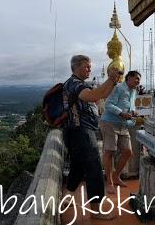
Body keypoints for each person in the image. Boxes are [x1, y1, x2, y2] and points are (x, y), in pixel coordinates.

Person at [63, 55, 122, 220]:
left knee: (78, 166)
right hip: (80, 132)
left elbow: (100, 95)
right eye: (86, 66)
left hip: (77, 132)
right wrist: (110, 79)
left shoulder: (79, 84)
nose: (89, 69)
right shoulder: (74, 84)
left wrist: (113, 81)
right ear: (76, 67)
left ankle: (67, 197)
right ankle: (96, 211)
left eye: (90, 66)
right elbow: (93, 96)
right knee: (94, 167)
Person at [99, 70, 140, 193]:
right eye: (136, 78)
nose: (138, 81)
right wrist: (121, 113)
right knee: (109, 152)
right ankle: (109, 182)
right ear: (128, 78)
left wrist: (133, 112)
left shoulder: (134, 91)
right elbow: (108, 104)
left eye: (139, 80)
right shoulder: (119, 88)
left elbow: (130, 106)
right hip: (110, 123)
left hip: (123, 124)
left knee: (128, 152)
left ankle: (116, 176)